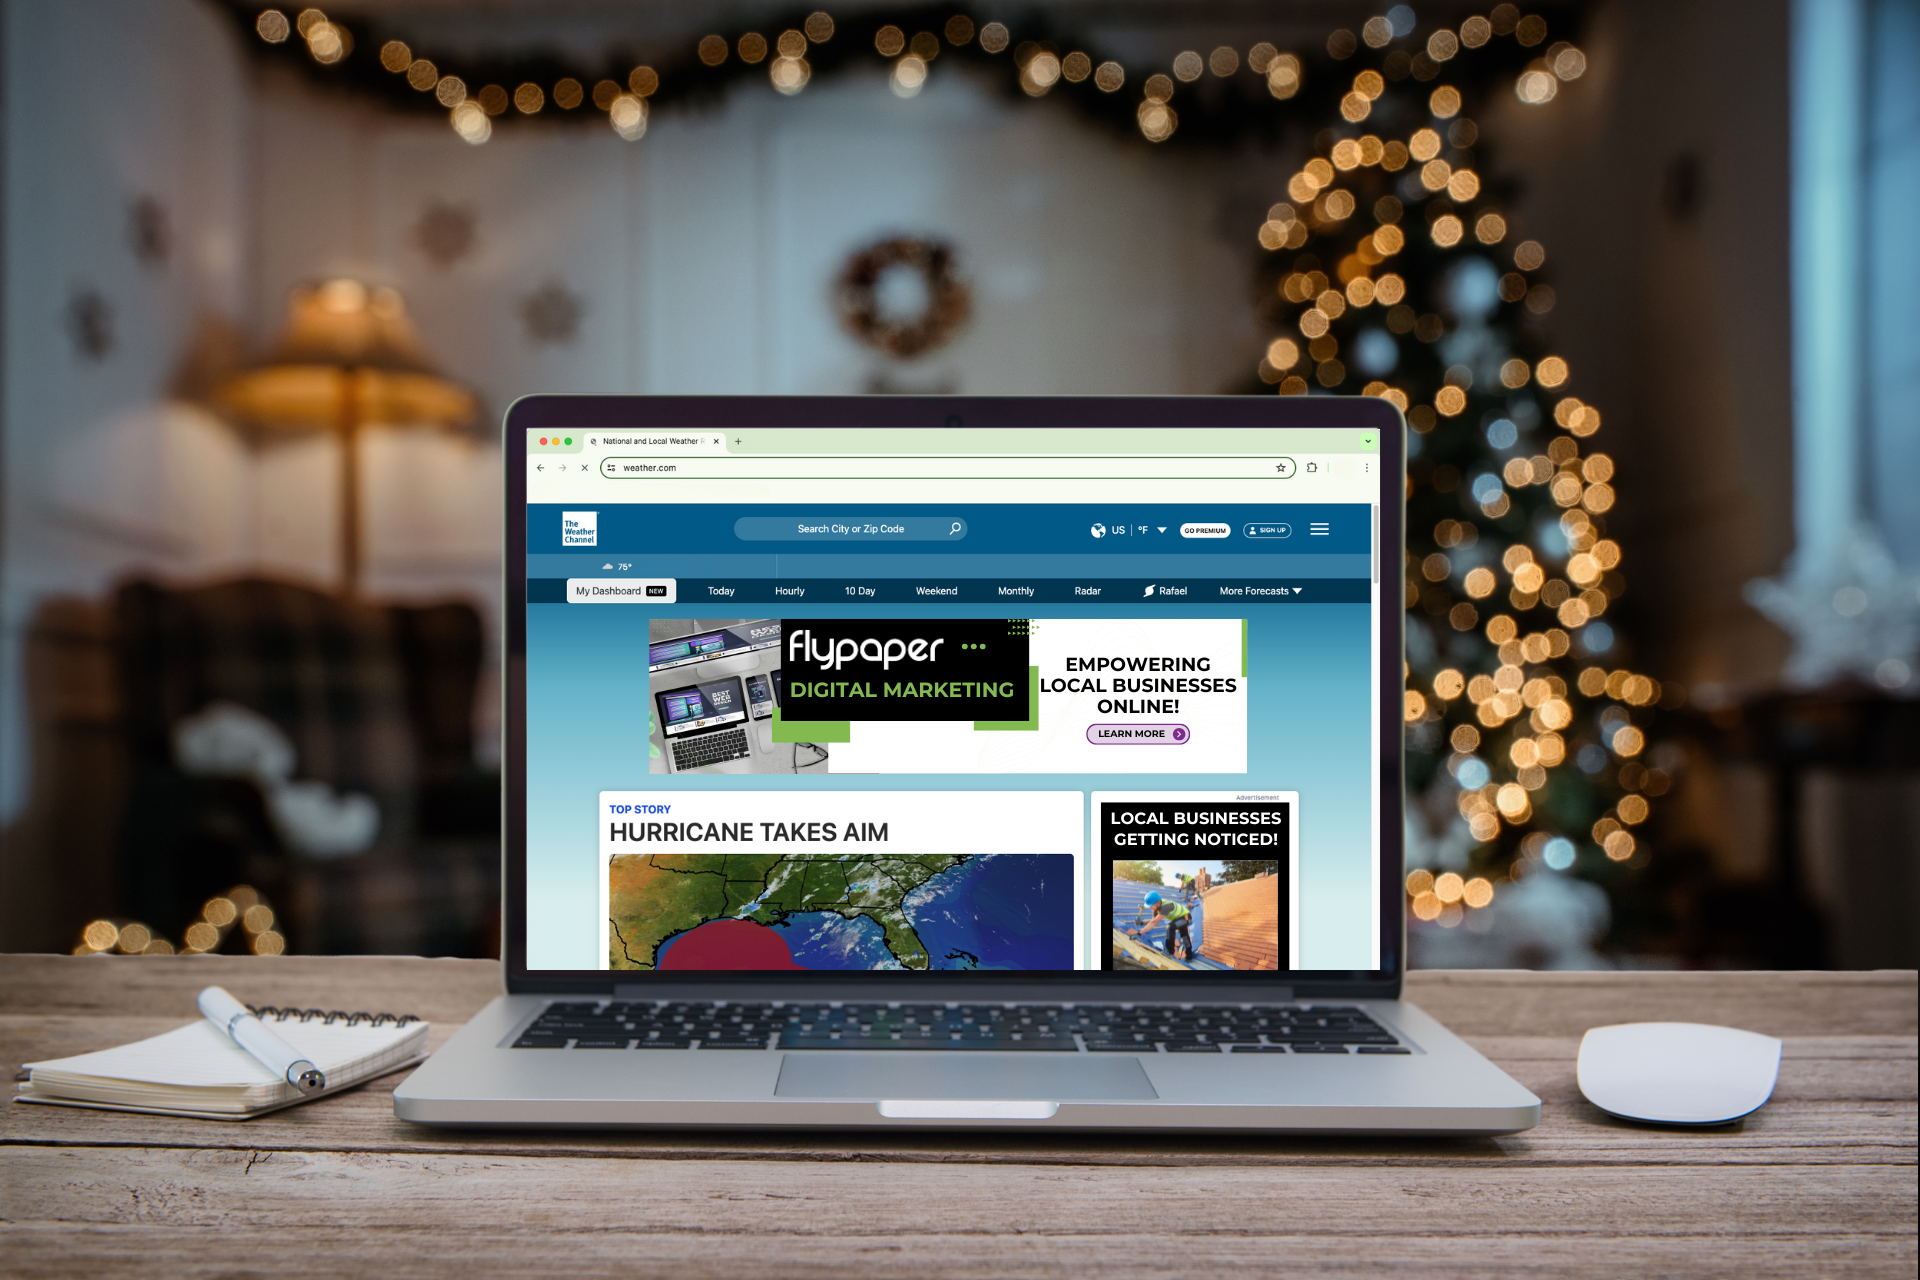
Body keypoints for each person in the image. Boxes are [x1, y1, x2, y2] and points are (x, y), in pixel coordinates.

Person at [1134, 891, 1194, 961]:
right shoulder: (1156, 908)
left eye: (1151, 906)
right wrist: (1142, 922)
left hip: (1186, 917)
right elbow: (1152, 921)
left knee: (1170, 927)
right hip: (1179, 918)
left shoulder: (1166, 907)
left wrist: (1139, 933)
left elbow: (1154, 922)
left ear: (1158, 903)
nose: (1150, 908)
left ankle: (1170, 952)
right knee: (1184, 936)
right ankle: (1189, 955)